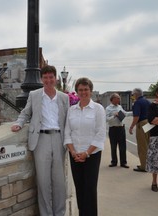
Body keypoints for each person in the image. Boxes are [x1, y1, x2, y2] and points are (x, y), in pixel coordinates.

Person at [11, 65, 69, 216]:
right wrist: (19, 123)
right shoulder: (34, 95)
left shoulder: (64, 97)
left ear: (55, 79)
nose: (48, 80)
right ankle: (46, 213)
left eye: (51, 77)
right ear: (42, 79)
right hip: (40, 139)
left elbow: (69, 120)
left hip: (59, 139)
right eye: (45, 77)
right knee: (43, 181)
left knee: (59, 182)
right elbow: (25, 113)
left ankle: (60, 212)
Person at [64, 77, 106, 216]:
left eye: (86, 89)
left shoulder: (98, 109)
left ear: (91, 91)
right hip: (75, 155)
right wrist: (73, 152)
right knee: (79, 188)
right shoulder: (71, 110)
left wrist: (86, 153)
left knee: (90, 189)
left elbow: (100, 133)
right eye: (80, 90)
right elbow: (67, 133)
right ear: (76, 92)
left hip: (92, 155)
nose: (83, 92)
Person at [106, 93, 132, 168]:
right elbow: (106, 119)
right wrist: (114, 115)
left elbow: (125, 114)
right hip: (113, 129)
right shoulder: (108, 108)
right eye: (117, 98)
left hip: (121, 128)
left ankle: (123, 162)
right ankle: (114, 162)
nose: (119, 99)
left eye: (119, 98)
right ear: (112, 99)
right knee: (113, 146)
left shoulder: (120, 106)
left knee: (123, 146)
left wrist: (134, 113)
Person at [129, 88, 151, 172]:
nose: (132, 97)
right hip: (149, 123)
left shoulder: (137, 103)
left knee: (142, 145)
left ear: (135, 95)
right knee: (148, 144)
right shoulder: (147, 101)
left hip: (142, 123)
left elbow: (136, 117)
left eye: (132, 95)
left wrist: (131, 127)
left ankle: (143, 166)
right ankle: (148, 164)